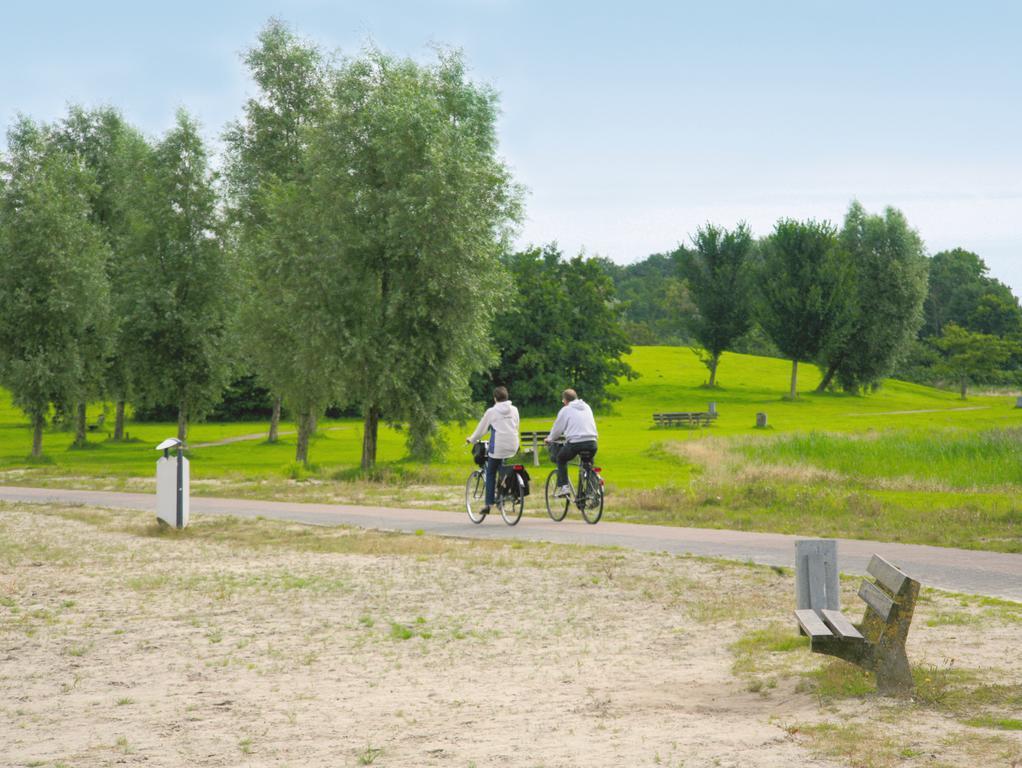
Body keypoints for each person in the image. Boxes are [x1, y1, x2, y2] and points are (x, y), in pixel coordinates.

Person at [465, 386, 520, 516]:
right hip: (513, 444)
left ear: (495, 398)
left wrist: (471, 439)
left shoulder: (492, 411)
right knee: (503, 468)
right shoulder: (514, 409)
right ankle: (504, 494)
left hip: (498, 446)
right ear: (506, 397)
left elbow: (482, 429)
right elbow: (516, 425)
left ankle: (488, 504)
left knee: (490, 472)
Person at [544, 388, 598, 497]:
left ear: (565, 400)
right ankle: (590, 492)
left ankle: (564, 487)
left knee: (561, 458)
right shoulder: (587, 407)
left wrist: (549, 439)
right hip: (592, 442)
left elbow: (557, 429)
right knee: (588, 464)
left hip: (576, 443)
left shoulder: (566, 410)